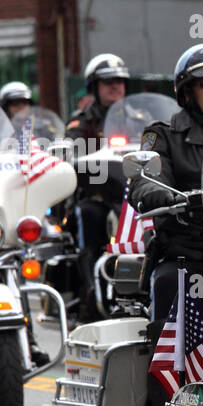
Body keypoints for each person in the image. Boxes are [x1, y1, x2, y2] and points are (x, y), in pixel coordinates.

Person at [131, 43, 203, 342]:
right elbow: (145, 179)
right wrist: (171, 197)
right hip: (190, 253)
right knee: (168, 284)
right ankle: (165, 382)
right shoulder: (162, 134)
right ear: (188, 92)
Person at [66, 54, 130, 320]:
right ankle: (91, 287)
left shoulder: (140, 117)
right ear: (94, 87)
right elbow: (69, 156)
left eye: (119, 81)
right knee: (87, 213)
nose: (114, 86)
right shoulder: (82, 123)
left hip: (133, 193)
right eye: (107, 82)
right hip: (99, 193)